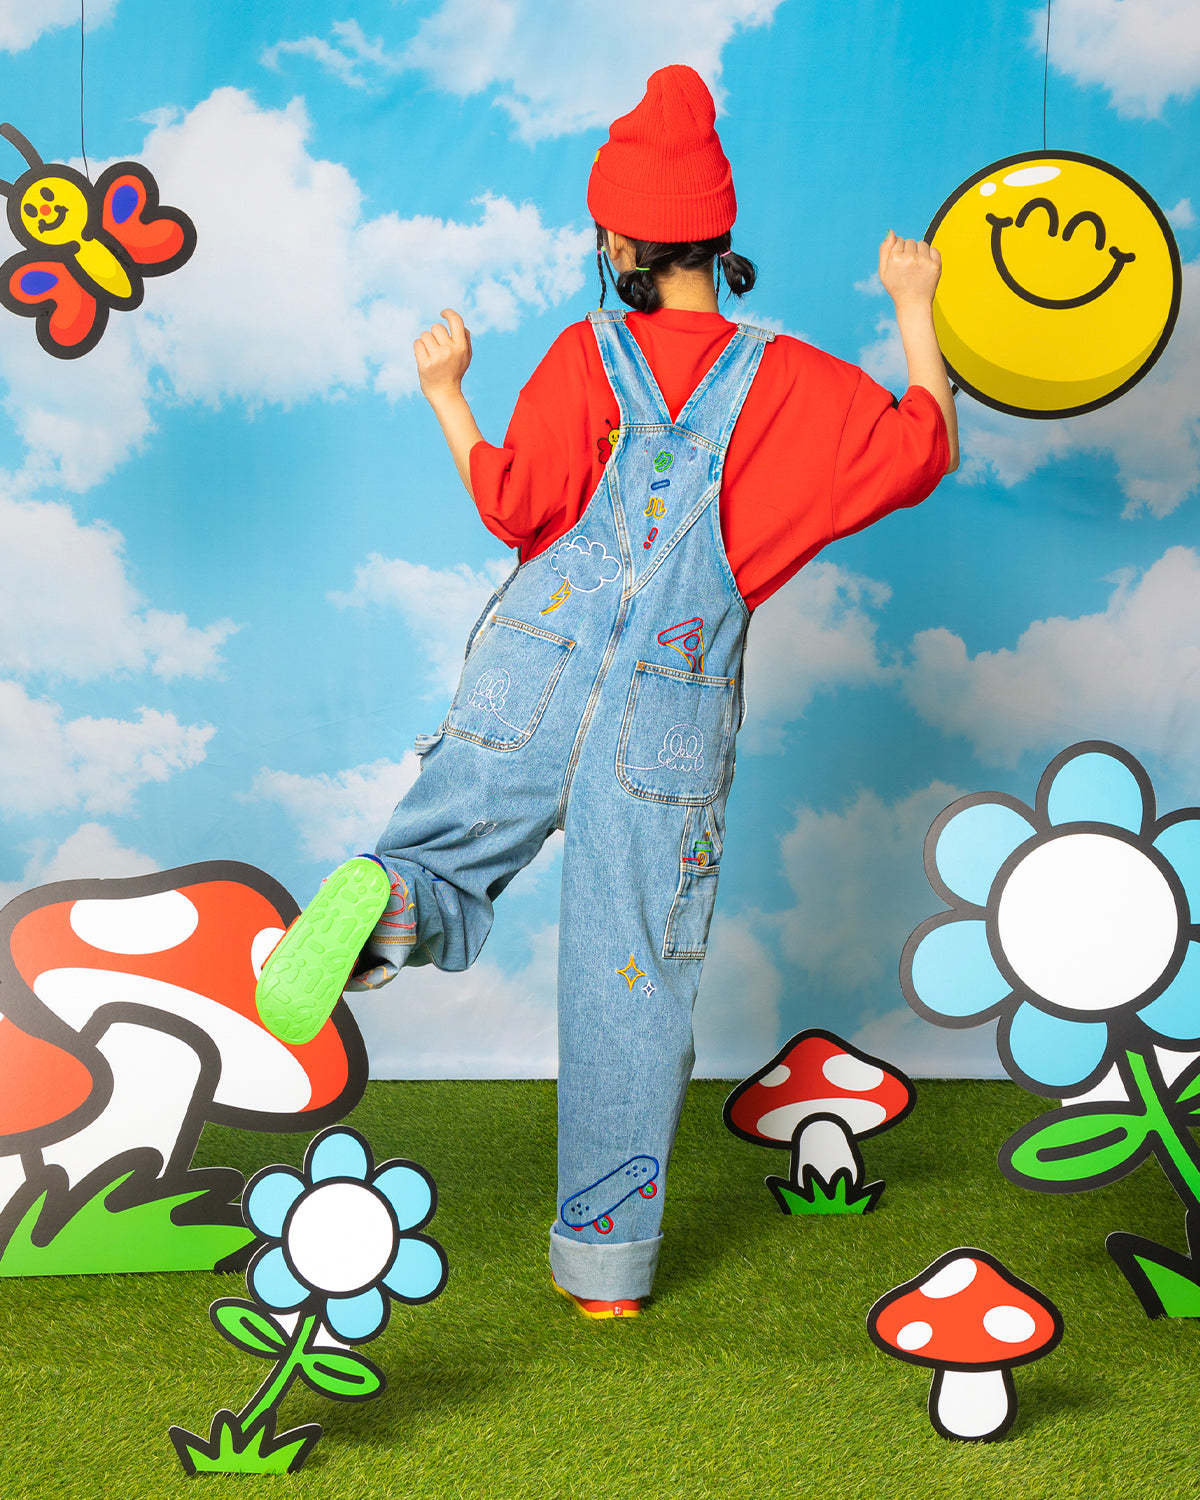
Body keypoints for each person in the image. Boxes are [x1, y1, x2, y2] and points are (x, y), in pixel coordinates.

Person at [256, 64, 958, 1320]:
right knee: (631, 975)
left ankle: (395, 905)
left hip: (530, 662)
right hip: (667, 707)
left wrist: (447, 396)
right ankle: (603, 1271)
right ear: (717, 242)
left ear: (619, 244)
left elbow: (512, 505)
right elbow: (922, 451)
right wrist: (915, 304)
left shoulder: (585, 355)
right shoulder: (790, 380)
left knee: (447, 850)